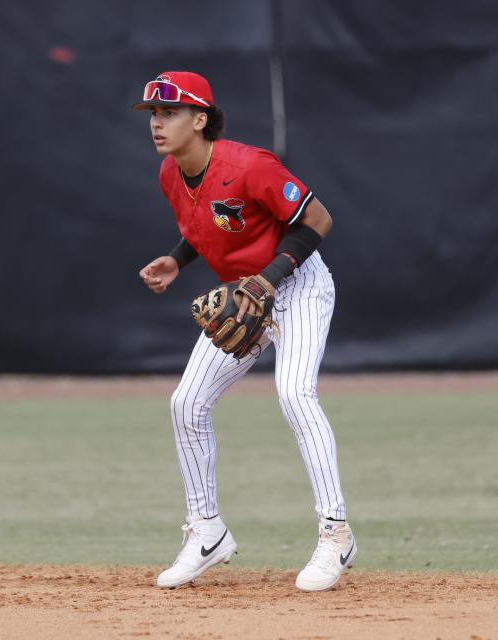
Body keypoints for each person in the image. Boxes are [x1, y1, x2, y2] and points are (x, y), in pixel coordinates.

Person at [135, 71, 355, 592]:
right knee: (186, 403)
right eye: (153, 114)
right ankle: (207, 532)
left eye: (169, 112)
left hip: (297, 285)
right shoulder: (171, 174)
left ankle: (336, 534)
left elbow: (318, 220)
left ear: (201, 119)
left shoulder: (249, 165)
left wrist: (269, 279)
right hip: (244, 299)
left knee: (295, 394)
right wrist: (176, 258)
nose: (158, 123)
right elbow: (209, 223)